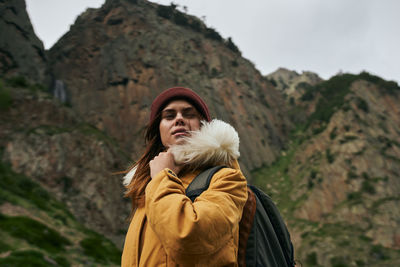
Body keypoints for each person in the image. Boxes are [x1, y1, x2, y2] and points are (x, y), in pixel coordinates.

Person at [121, 87, 248, 266]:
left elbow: (189, 237)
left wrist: (162, 177)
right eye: (169, 116)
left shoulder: (227, 178)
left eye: (189, 114)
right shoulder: (147, 186)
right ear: (159, 129)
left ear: (203, 124)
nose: (179, 119)